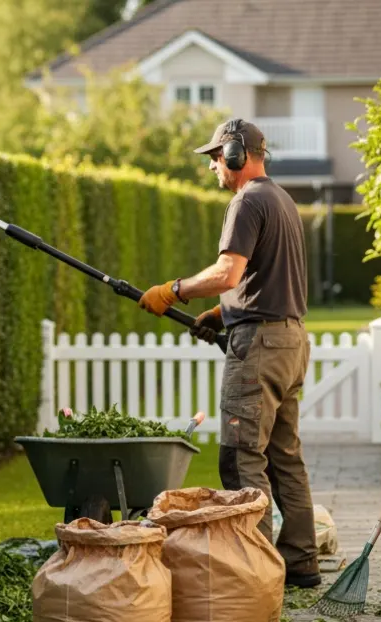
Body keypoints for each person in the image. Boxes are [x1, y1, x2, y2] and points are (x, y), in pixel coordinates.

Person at [136, 118, 320, 588]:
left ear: (237, 154)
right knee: (284, 457)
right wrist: (222, 315)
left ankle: (254, 573)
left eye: (216, 156)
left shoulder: (246, 201)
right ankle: (300, 562)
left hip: (259, 348)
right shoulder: (281, 200)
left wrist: (173, 291)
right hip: (291, 340)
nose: (213, 166)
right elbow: (263, 279)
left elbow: (227, 272)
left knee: (241, 458)